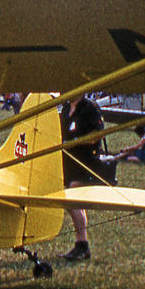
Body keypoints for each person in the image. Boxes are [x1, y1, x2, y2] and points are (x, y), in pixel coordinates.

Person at [60, 93, 109, 262]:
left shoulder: (90, 107)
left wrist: (76, 141)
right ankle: (82, 246)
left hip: (88, 162)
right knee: (75, 201)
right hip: (70, 162)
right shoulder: (66, 108)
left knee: (72, 201)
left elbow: (98, 133)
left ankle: (82, 245)